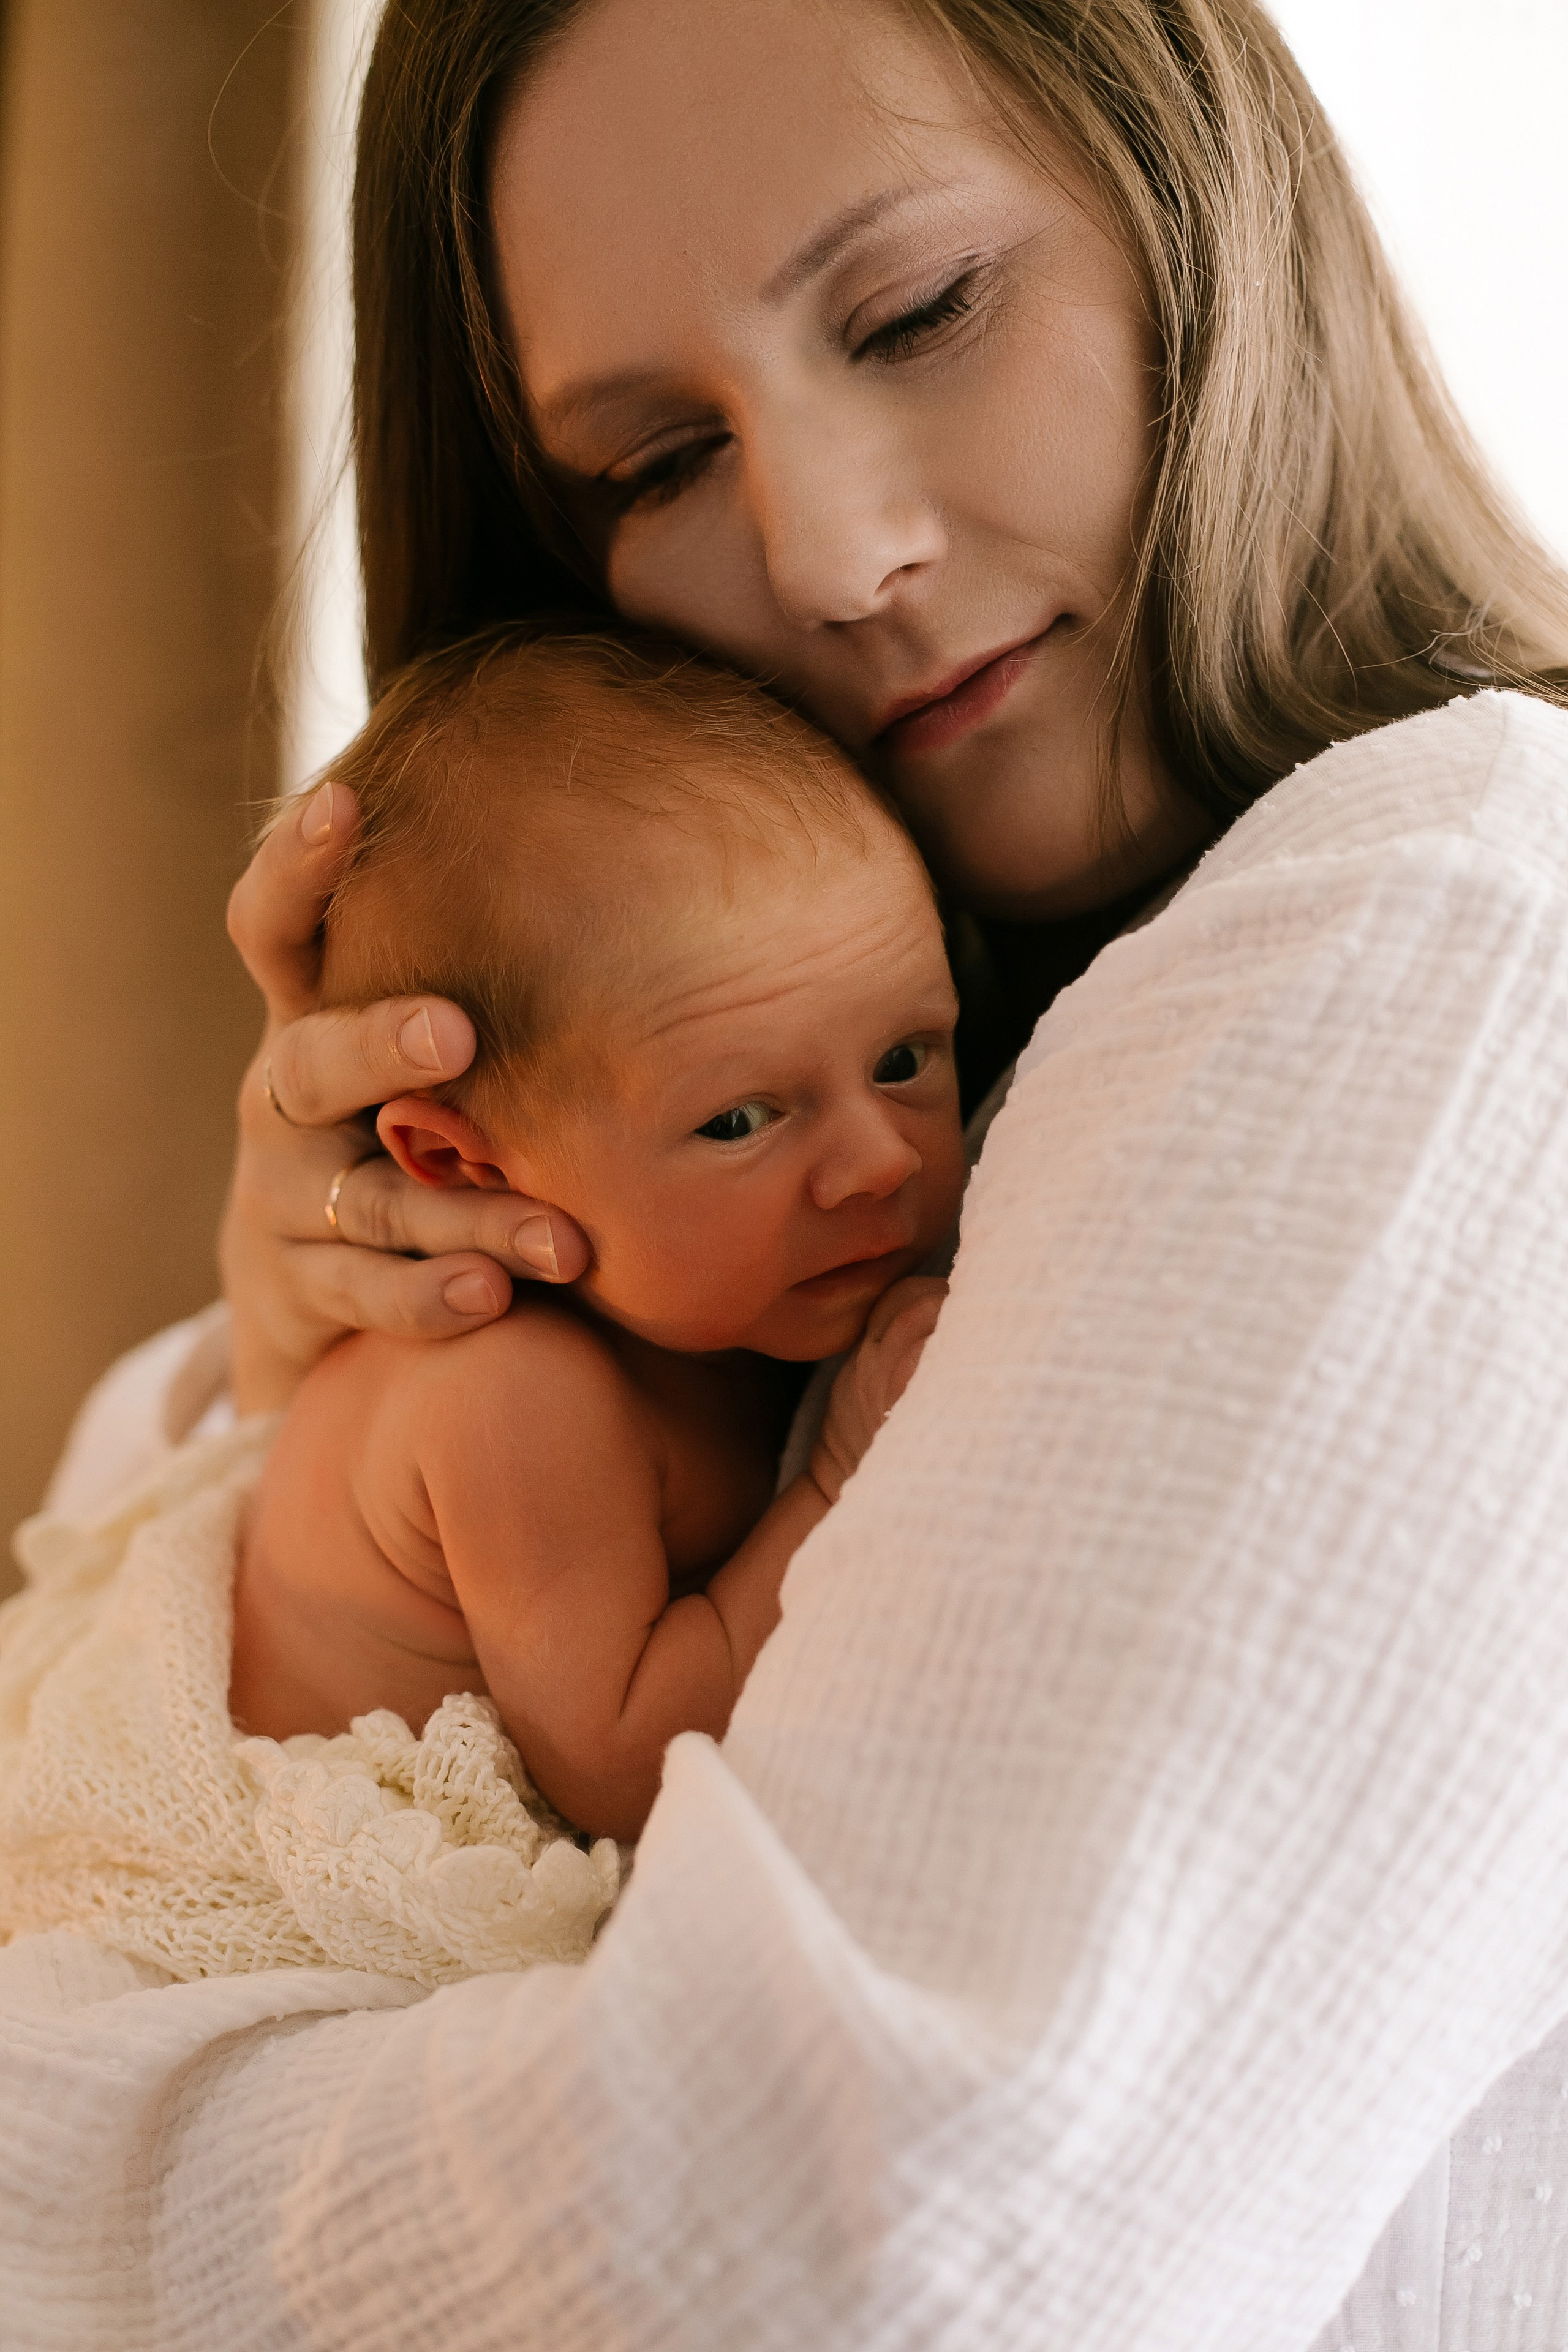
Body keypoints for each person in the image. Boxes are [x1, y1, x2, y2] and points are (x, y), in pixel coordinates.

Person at [7, 1, 1568, 2345]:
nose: (837, 554)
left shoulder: (1459, 918)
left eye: (920, 309)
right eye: (649, 462)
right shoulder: (895, 1151)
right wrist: (287, 1341)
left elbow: (852, 2255)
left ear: (1198, 191)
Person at [233, 625, 963, 1840]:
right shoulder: (513, 1389)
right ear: (467, 1166)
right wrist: (837, 1480)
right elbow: (625, 1771)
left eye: (902, 1059)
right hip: (306, 1862)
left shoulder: (715, 1285)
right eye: (738, 1119)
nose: (879, 1161)